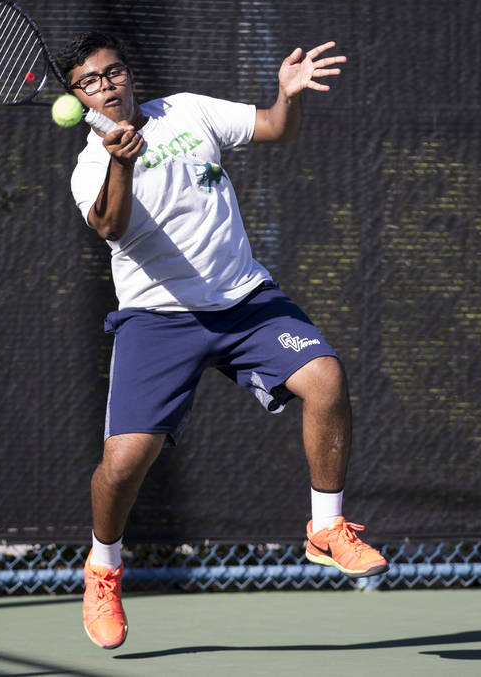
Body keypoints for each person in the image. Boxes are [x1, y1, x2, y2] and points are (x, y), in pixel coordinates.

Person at [55, 32, 388, 650]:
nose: (108, 86)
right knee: (124, 464)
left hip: (244, 301)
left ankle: (326, 526)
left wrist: (286, 97)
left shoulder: (186, 110)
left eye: (114, 72)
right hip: (157, 320)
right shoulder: (91, 165)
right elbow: (111, 226)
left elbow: (273, 129)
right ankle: (103, 568)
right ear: (76, 97)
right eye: (91, 82)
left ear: (130, 75)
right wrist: (122, 163)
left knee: (326, 379)